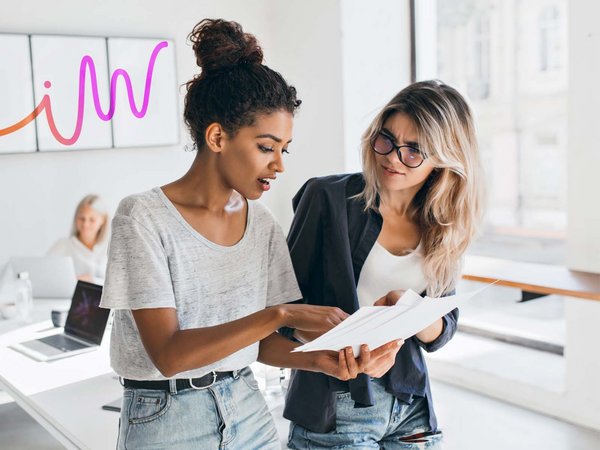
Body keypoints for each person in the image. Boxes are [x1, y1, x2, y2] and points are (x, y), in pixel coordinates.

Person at [99, 18, 373, 450]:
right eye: (266, 147)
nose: (279, 165)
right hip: (165, 418)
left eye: (284, 150)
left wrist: (322, 362)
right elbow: (169, 356)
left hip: (246, 404)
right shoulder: (143, 218)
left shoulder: (261, 224)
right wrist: (282, 315)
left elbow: (258, 344)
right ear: (217, 136)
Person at [281, 80, 483, 449]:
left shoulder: (444, 224)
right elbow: (282, 313)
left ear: (443, 158)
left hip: (412, 407)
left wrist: (412, 310)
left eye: (413, 151)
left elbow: (442, 331)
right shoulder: (327, 199)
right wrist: (350, 354)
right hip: (336, 405)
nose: (391, 157)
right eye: (386, 139)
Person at [48, 194, 109, 283]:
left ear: (102, 221)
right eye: (82, 218)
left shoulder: (111, 248)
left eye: (92, 220)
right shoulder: (63, 245)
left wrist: (92, 280)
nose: (85, 224)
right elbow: (46, 274)